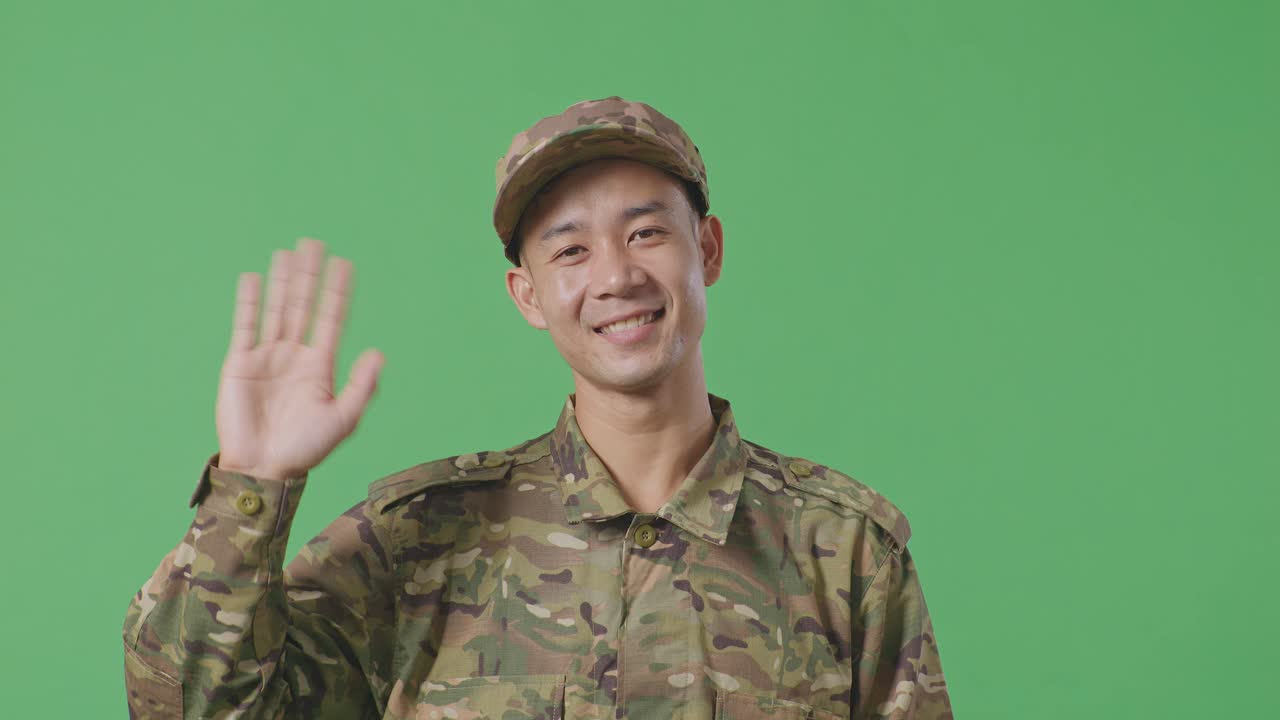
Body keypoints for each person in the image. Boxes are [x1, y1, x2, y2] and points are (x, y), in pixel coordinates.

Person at [122, 95, 953, 719]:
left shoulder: (842, 550)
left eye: (646, 232)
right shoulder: (419, 542)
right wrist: (250, 488)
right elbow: (191, 706)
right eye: (570, 249)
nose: (615, 276)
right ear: (528, 293)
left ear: (708, 249)